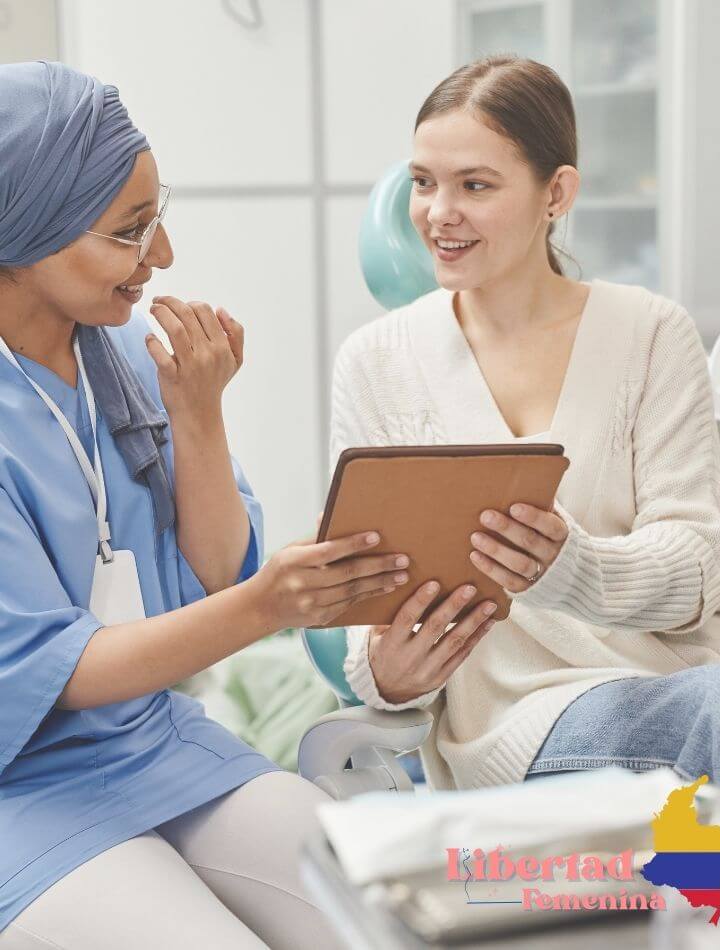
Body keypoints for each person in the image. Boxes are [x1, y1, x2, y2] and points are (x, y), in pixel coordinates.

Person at [0, 61, 414, 948]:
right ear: (22, 239)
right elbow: (56, 672)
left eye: (159, 216)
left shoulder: (120, 360)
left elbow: (218, 571)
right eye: (129, 232)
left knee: (400, 918)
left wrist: (198, 415)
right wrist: (267, 606)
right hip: (18, 787)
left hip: (149, 741)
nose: (163, 258)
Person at [331, 56, 720, 826]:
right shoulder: (376, 363)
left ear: (558, 193)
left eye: (474, 186)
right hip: (532, 708)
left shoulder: (650, 333)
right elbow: (365, 608)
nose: (438, 212)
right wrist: (389, 674)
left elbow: (695, 569)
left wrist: (569, 568)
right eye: (423, 182)